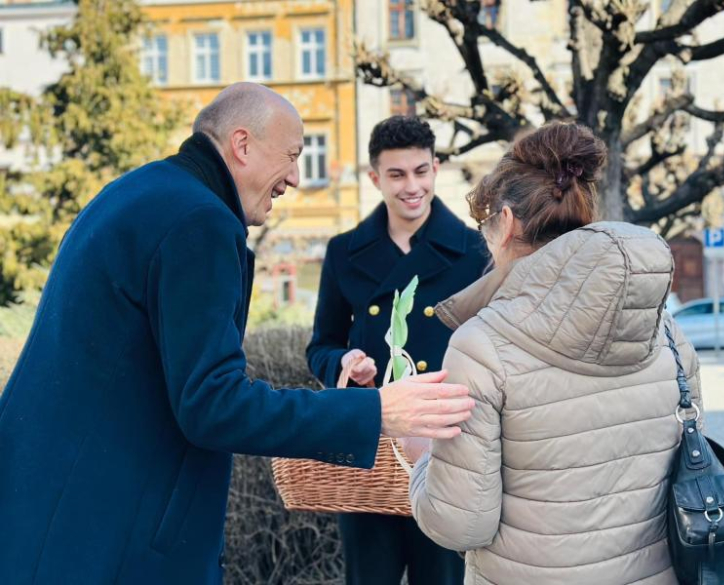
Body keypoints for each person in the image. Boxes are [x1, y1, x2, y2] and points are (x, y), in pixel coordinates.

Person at [0, 84, 475, 585]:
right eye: (292, 156)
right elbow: (212, 403)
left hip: (56, 514)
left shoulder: (141, 192)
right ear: (242, 145)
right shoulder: (199, 220)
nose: (295, 176)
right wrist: (377, 411)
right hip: (108, 535)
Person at [402, 122, 704, 584]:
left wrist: (422, 457)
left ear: (505, 223)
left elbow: (461, 523)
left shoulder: (480, 348)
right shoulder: (662, 329)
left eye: (484, 229)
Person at [307, 116, 488, 585]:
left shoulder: (474, 250)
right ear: (375, 178)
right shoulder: (345, 251)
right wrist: (342, 364)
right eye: (397, 175)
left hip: (447, 450)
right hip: (373, 450)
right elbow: (321, 343)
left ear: (435, 168)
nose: (412, 186)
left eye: (421, 171)